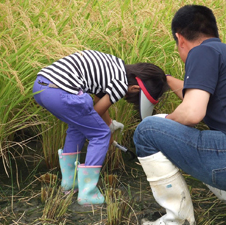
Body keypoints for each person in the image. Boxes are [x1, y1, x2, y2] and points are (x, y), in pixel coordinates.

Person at [133, 4, 226, 225]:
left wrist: (164, 123)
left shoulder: (201, 52)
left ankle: (177, 220)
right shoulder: (223, 51)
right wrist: (167, 79)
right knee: (176, 131)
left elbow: (193, 112)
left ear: (180, 38)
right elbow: (201, 96)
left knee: (147, 130)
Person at [32, 49, 168, 206]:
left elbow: (97, 103)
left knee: (78, 127)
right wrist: (107, 134)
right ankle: (87, 193)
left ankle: (70, 184)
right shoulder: (122, 85)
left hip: (41, 86)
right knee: (100, 135)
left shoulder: (115, 65)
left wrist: (109, 123)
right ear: (136, 89)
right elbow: (96, 113)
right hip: (61, 92)